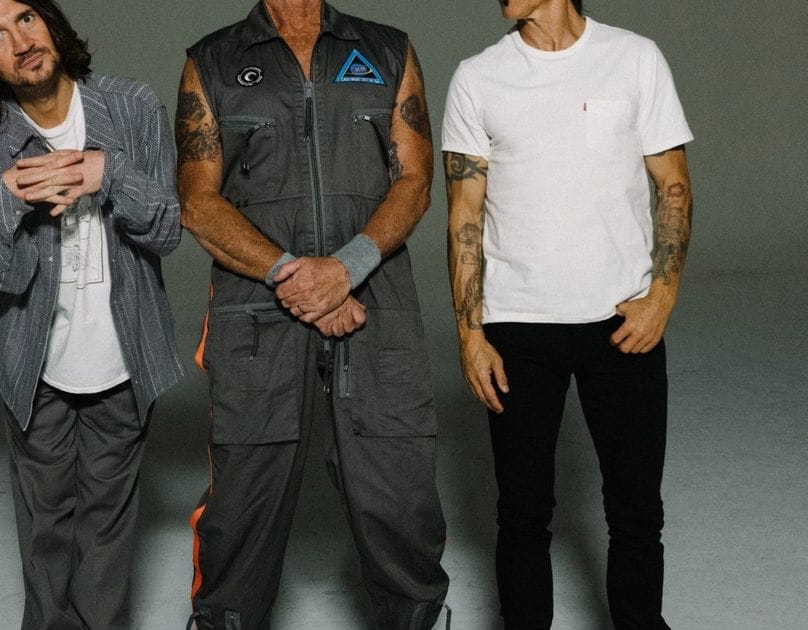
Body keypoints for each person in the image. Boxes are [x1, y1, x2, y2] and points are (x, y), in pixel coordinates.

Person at [177, 1, 449, 627]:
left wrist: (345, 269)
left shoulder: (387, 50)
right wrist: (296, 278)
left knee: (399, 492)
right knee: (242, 503)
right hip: (256, 310)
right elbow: (197, 202)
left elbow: (415, 181)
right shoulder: (212, 60)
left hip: (375, 300)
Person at [441, 1, 693, 628]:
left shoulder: (635, 58)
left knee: (636, 510)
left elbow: (673, 185)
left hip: (623, 324)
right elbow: (464, 214)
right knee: (522, 514)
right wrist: (470, 334)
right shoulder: (478, 76)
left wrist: (661, 298)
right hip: (516, 329)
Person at [0, 0, 184, 627]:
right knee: (45, 526)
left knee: (107, 525)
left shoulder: (132, 107)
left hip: (124, 352)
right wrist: (9, 197)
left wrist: (111, 172)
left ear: (50, 21)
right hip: (34, 359)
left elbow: (166, 231)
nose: (21, 41)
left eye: (26, 18)